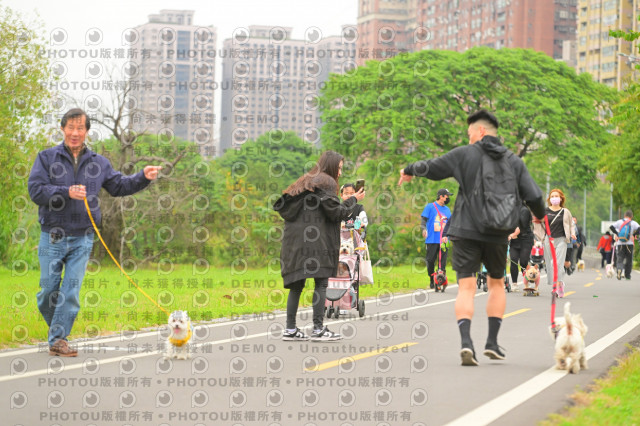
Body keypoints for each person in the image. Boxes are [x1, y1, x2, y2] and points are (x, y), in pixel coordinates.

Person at [398, 109, 545, 366]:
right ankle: (492, 343)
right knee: (496, 284)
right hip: (497, 234)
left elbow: (432, 167)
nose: (468, 138)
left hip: (465, 231)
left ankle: (466, 343)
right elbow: (534, 196)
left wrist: (408, 169)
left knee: (466, 287)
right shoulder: (514, 162)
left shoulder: (464, 154)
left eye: (469, 134)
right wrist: (541, 216)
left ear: (481, 131)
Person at [28, 108, 162, 357]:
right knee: (48, 291)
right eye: (70, 127)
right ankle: (58, 331)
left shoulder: (98, 163)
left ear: (87, 131)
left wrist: (142, 177)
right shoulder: (46, 158)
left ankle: (58, 339)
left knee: (70, 292)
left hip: (83, 237)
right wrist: (66, 192)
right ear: (62, 129)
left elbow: (119, 186)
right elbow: (35, 191)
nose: (75, 133)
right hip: (53, 235)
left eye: (80, 128)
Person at [274, 151, 365, 341]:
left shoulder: (304, 181)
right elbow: (336, 213)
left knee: (297, 285)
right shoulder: (327, 182)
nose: (340, 173)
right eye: (339, 168)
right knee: (321, 282)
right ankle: (318, 329)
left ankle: (290, 329)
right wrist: (354, 200)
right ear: (331, 166)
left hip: (294, 242)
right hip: (317, 243)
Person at [533, 189, 576, 298]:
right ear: (549, 199)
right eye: (552, 196)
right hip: (548, 240)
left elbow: (571, 224)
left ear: (561, 198)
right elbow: (537, 223)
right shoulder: (545, 211)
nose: (554, 198)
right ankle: (559, 283)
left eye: (556, 196)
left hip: (561, 239)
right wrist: (540, 237)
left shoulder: (565, 211)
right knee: (550, 264)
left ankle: (557, 286)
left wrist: (572, 234)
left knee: (557, 263)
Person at [421, 188, 453, 289]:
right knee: (430, 261)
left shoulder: (447, 210)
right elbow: (423, 220)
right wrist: (423, 229)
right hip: (432, 239)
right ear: (441, 196)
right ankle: (431, 278)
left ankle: (440, 281)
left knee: (442, 263)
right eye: (447, 196)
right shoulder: (430, 207)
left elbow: (451, 224)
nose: (448, 198)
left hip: (444, 240)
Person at [508, 203, 534, 291]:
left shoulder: (524, 210)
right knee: (513, 260)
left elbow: (520, 227)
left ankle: (528, 280)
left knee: (523, 262)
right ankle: (514, 284)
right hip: (514, 241)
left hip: (525, 239)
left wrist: (511, 235)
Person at [609, 210, 640, 280]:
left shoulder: (619, 222)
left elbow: (611, 227)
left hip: (620, 243)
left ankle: (619, 269)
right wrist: (634, 235)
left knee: (620, 258)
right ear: (631, 216)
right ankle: (627, 276)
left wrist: (617, 233)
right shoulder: (633, 223)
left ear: (624, 215)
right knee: (629, 260)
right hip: (629, 244)